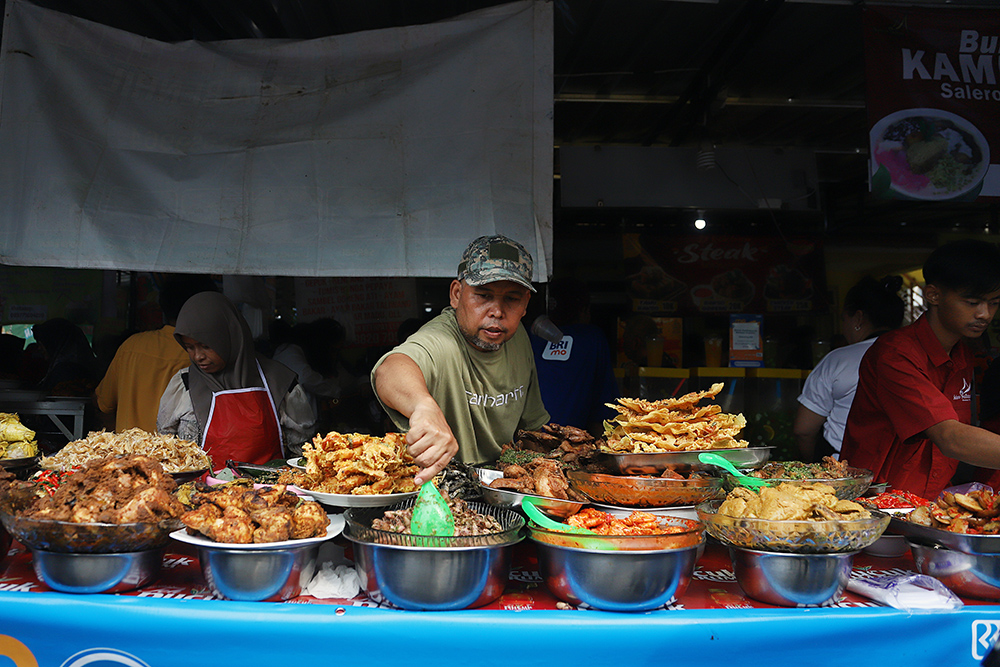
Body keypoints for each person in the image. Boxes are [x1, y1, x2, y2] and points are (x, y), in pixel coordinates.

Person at [371, 234, 550, 484]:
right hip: (441, 488)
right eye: (483, 295)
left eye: (512, 298)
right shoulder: (441, 341)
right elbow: (391, 369)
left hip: (504, 486)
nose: (497, 311)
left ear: (525, 305)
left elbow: (530, 430)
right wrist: (423, 407)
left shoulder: (516, 336)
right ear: (456, 294)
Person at [840, 239, 1000, 499]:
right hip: (876, 506)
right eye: (972, 302)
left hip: (929, 504)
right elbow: (951, 438)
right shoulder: (895, 354)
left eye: (994, 302)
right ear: (933, 295)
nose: (985, 314)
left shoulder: (962, 355)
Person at [156, 291, 314, 467]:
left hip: (269, 491)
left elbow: (302, 453)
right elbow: (166, 449)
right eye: (190, 347)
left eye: (206, 346)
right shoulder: (184, 384)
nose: (198, 356)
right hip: (200, 492)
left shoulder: (278, 381)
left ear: (230, 337)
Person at [793, 275, 905, 462]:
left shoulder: (839, 359)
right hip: (901, 470)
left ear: (858, 318)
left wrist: (813, 467)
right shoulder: (918, 357)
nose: (844, 327)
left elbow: (803, 430)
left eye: (844, 319)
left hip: (844, 469)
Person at [94, 274, 218, 433]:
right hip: (179, 456)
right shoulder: (208, 356)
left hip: (126, 455)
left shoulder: (131, 346)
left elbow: (103, 404)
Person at [529, 277, 618, 433]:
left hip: (525, 443)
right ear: (584, 310)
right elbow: (604, 409)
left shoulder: (527, 336)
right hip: (570, 444)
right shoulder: (592, 338)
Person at [31, 318, 99, 396]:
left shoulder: (65, 371)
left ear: (54, 343)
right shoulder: (80, 366)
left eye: (42, 343)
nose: (39, 348)